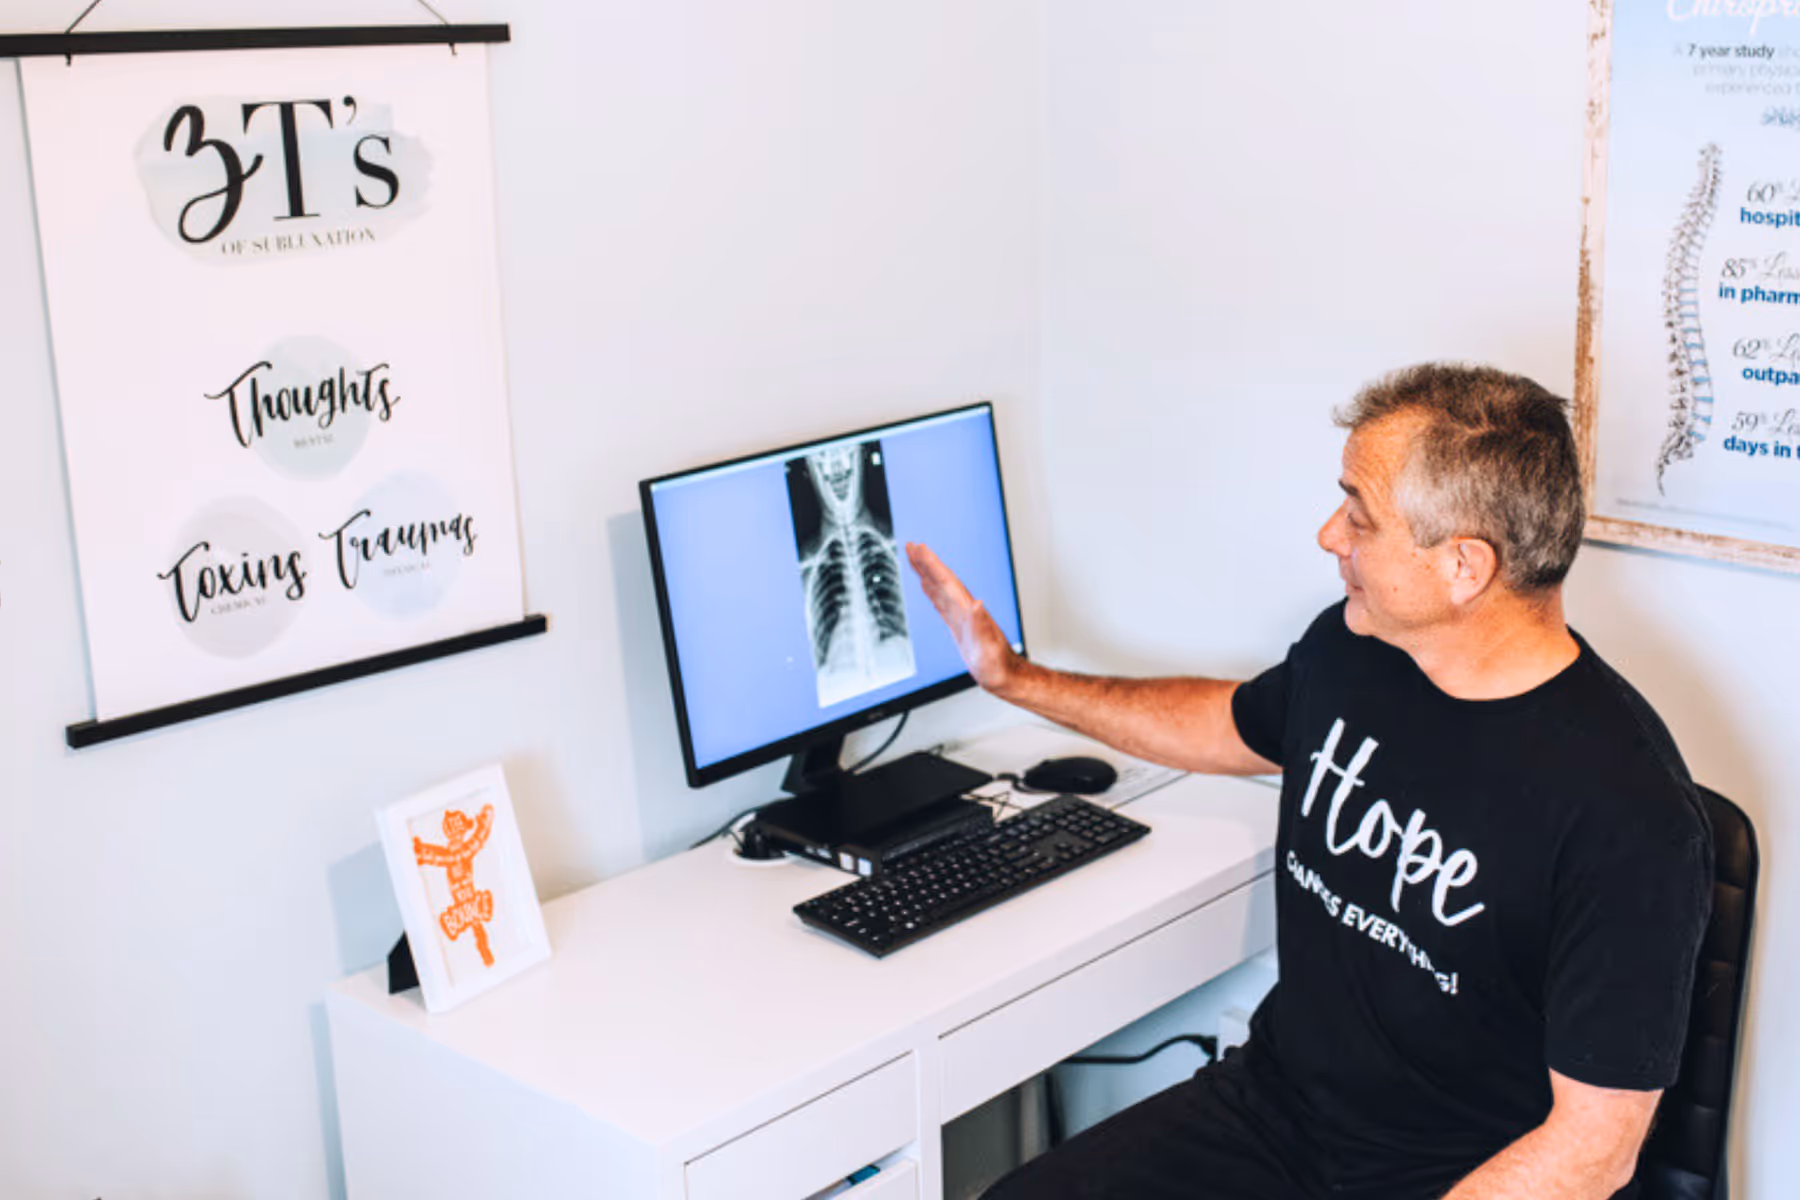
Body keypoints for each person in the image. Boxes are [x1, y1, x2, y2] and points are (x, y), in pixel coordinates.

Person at [905, 363, 1713, 1200]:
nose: (1331, 535)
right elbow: (1229, 723)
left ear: (1464, 566)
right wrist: (1017, 680)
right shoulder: (1356, 651)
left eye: (1359, 517)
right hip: (1273, 1116)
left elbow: (1593, 1151)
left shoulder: (1629, 817)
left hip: (1454, 1176)